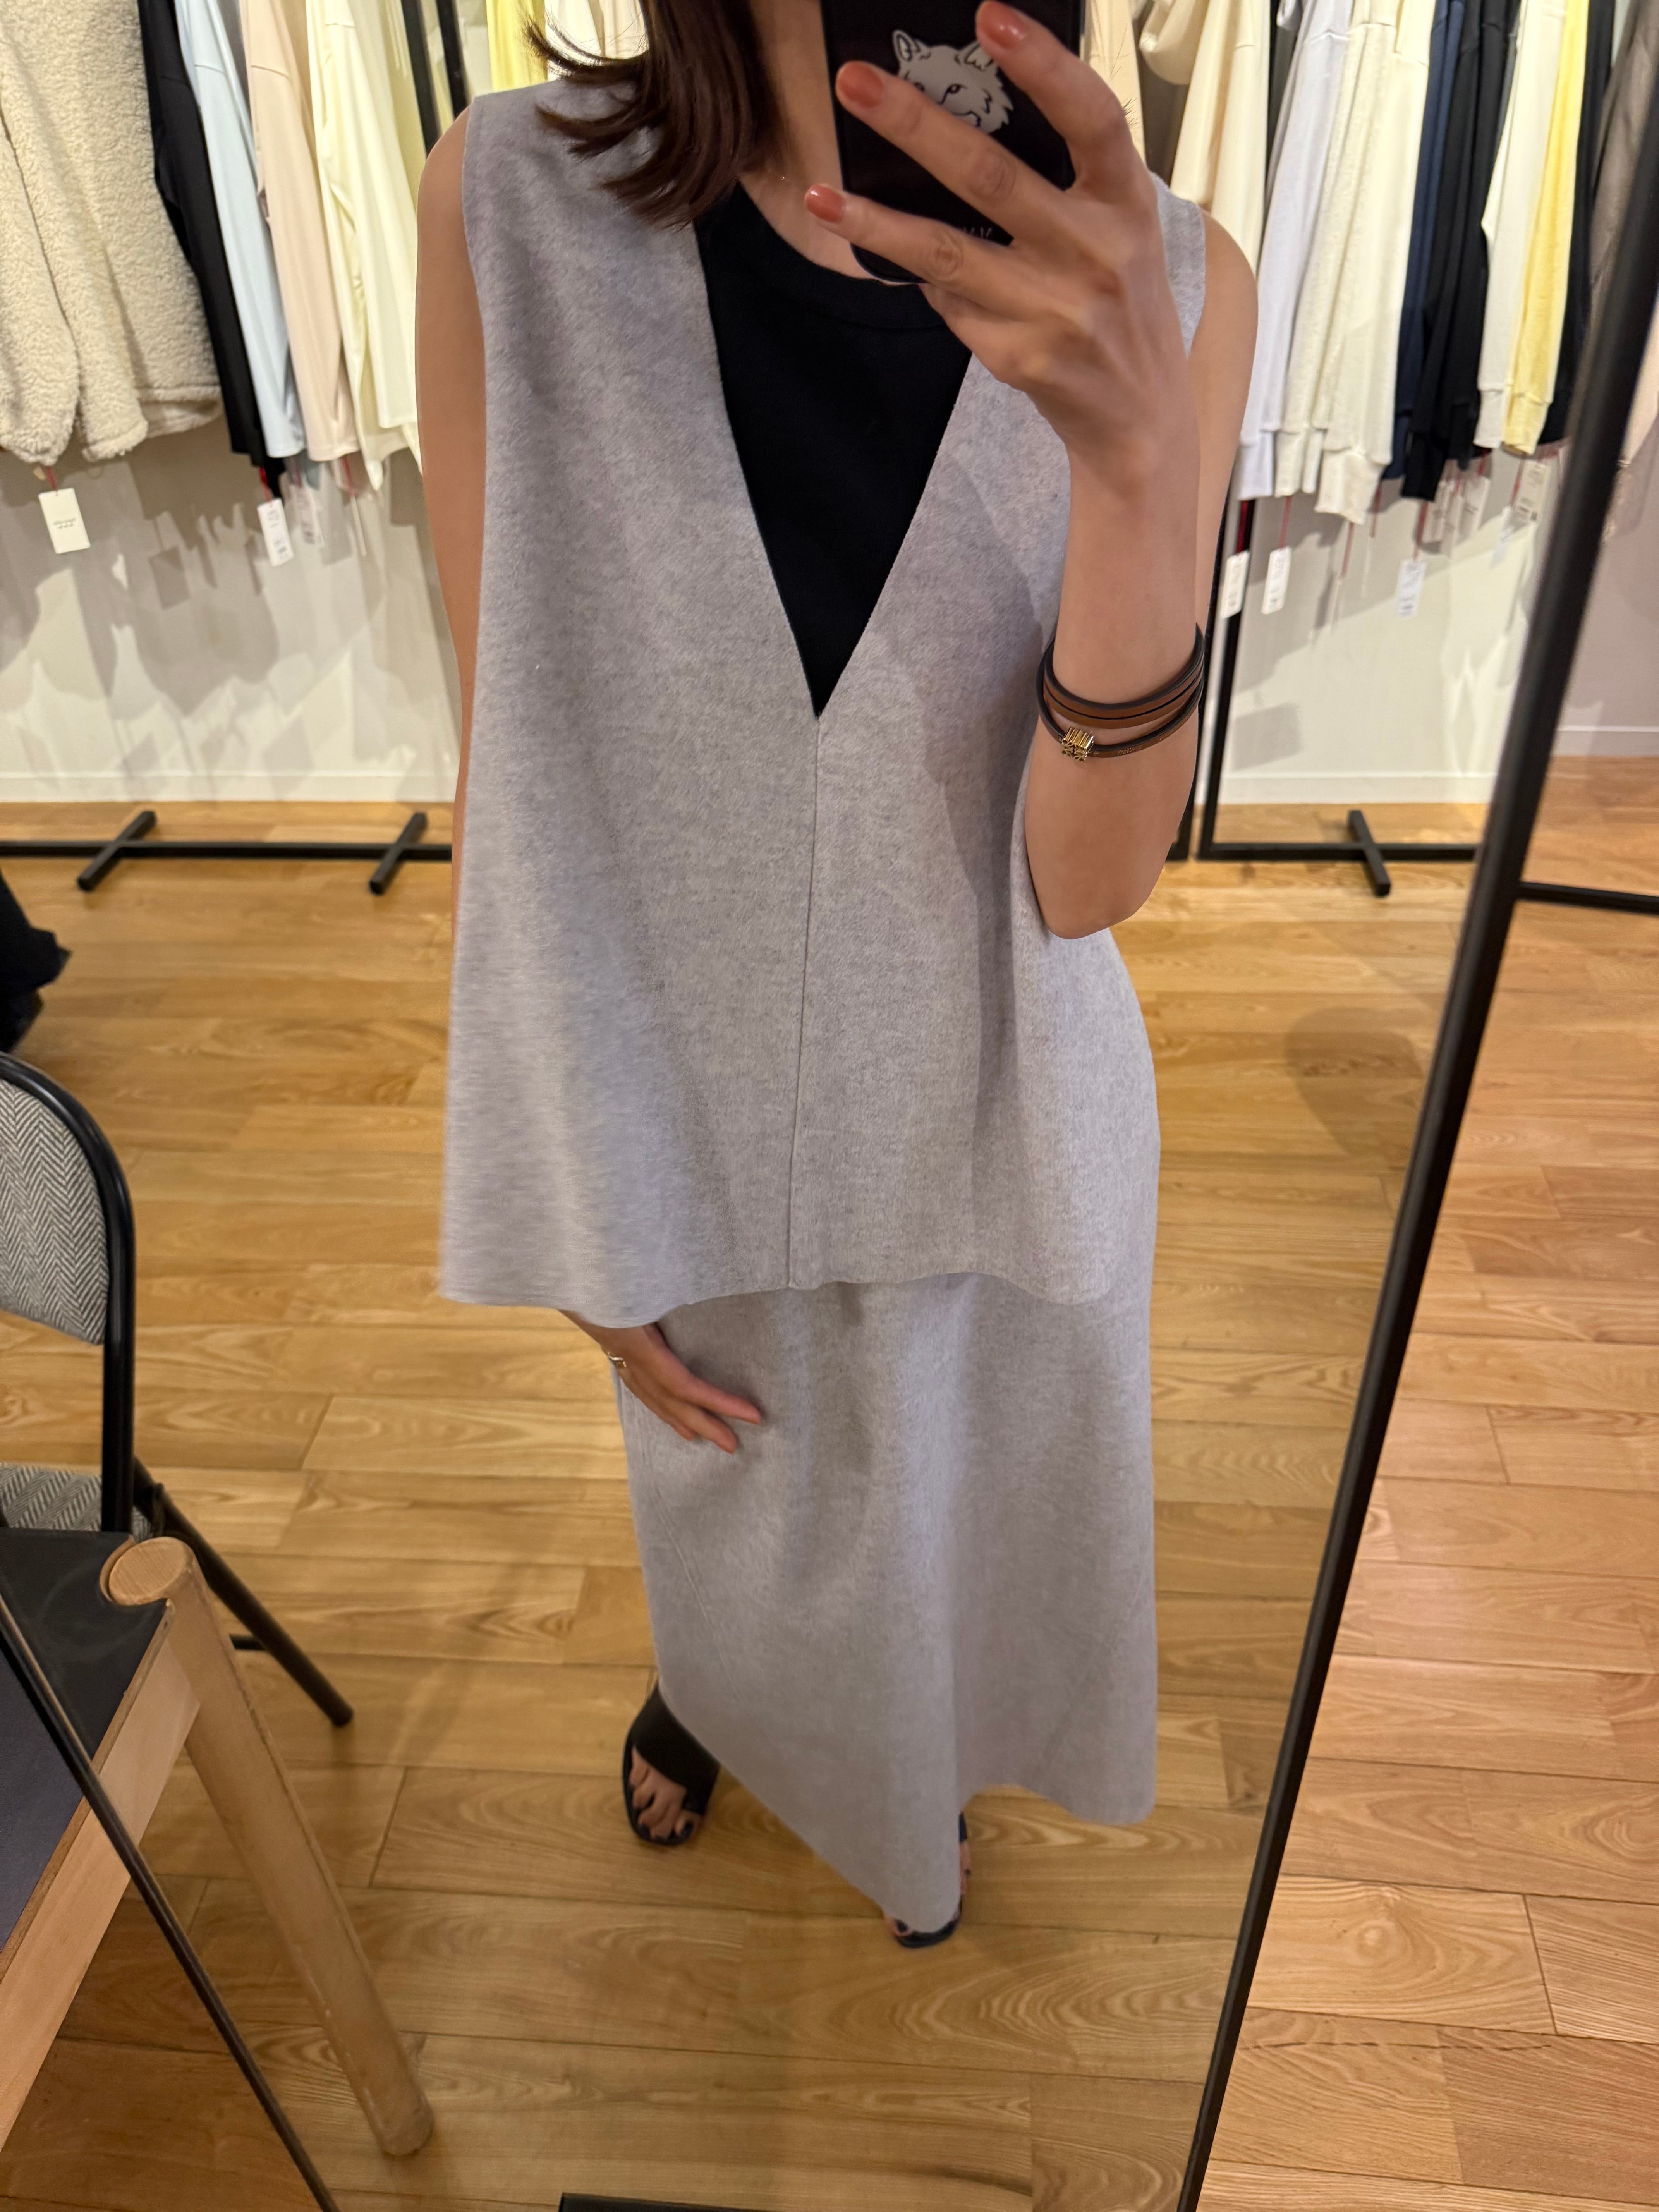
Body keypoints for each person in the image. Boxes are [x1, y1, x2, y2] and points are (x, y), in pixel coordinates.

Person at [417, 0, 1254, 1944]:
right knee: (739, 1489)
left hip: (999, 1068)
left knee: (955, 1494)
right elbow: (514, 764)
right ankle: (731, 1695)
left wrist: (1137, 464)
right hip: (674, 1072)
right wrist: (566, 1181)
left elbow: (1089, 882)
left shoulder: (1172, 280)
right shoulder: (506, 211)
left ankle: (905, 1764)